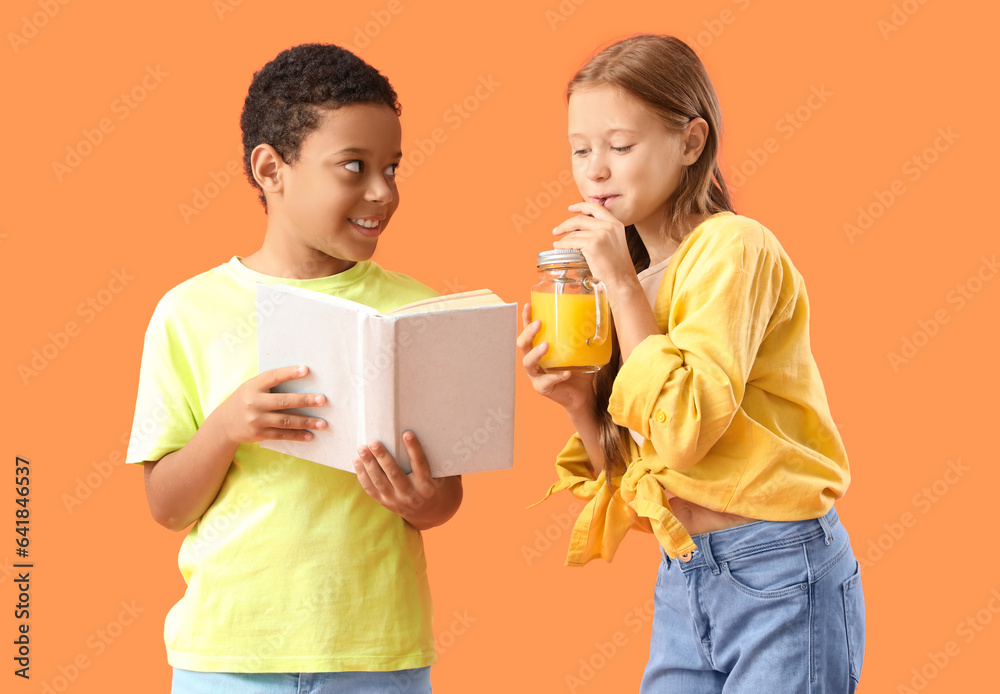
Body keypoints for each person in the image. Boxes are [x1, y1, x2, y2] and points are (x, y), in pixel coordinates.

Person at [518, 34, 865, 692]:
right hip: (687, 573)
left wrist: (619, 284)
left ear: (690, 142)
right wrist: (575, 402)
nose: (595, 171)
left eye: (619, 147)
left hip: (777, 567)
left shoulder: (732, 249)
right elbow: (641, 477)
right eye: (580, 150)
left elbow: (685, 430)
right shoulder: (634, 282)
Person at [125, 43, 462, 694]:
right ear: (271, 169)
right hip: (228, 654)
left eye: (392, 167)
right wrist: (224, 429)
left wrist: (421, 500)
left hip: (377, 652)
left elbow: (442, 499)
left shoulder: (415, 310)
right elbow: (166, 507)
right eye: (354, 167)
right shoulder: (190, 313)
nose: (382, 191)